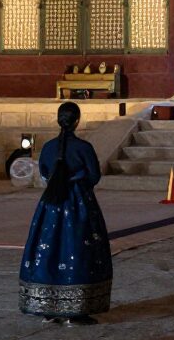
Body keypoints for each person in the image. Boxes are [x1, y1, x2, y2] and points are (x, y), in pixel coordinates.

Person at [19, 101, 112, 324]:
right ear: (77, 121)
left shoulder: (49, 147)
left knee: (49, 249)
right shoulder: (84, 148)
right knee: (79, 249)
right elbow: (94, 176)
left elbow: (43, 173)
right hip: (78, 203)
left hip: (51, 204)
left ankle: (48, 307)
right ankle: (76, 310)